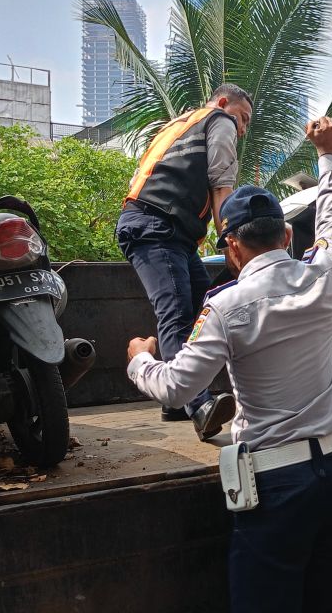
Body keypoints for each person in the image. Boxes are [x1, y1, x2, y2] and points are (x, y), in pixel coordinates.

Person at [125, 116, 332, 613]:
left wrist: (140, 361)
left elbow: (178, 388)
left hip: (275, 489)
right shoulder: (326, 276)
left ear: (231, 246)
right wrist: (327, 155)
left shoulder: (227, 307)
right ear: (288, 235)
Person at [116, 83, 252, 440]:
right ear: (223, 103)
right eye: (243, 119)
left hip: (167, 230)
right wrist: (232, 243)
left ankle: (173, 401)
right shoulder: (218, 119)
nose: (242, 129)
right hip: (157, 227)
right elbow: (222, 185)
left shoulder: (181, 123)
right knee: (176, 313)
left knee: (202, 311)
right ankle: (199, 405)